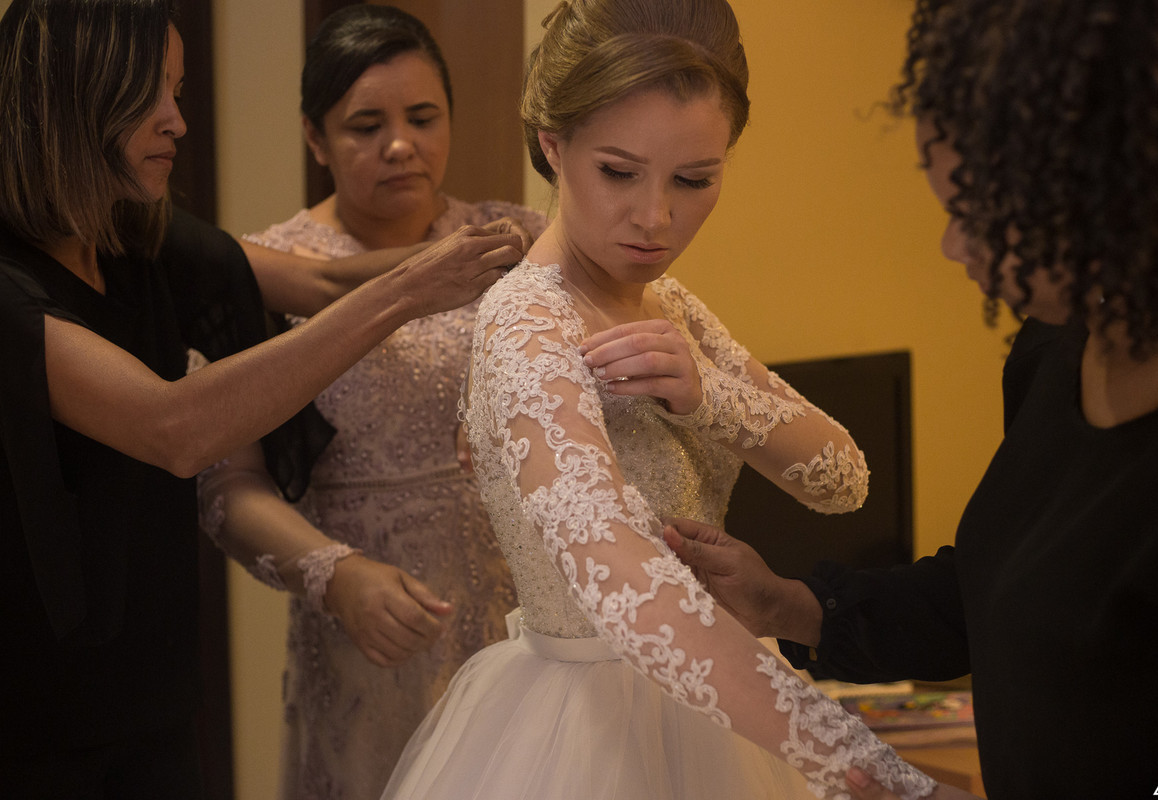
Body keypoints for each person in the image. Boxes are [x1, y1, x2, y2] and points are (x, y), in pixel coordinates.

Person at [379, 1, 977, 798]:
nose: (655, 217)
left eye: (695, 179)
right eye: (619, 172)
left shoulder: (675, 309)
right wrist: (862, 764)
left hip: (722, 703)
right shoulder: (527, 321)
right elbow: (621, 585)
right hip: (580, 736)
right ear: (553, 146)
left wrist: (708, 399)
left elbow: (841, 478)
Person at [665, 0, 1158, 798]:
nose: (954, 245)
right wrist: (791, 605)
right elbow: (994, 587)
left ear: (1111, 185)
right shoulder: (1052, 356)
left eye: (982, 213)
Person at [0, 1, 524, 797]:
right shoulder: (10, 287)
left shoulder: (135, 230)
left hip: (153, 675)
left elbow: (314, 280)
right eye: (154, 94)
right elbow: (174, 427)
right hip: (36, 697)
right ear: (76, 95)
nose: (179, 122)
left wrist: (505, 249)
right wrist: (411, 292)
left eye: (179, 92)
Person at [195, 6, 547, 799]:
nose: (401, 145)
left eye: (424, 117)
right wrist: (336, 573)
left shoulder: (514, 244)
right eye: (365, 125)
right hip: (370, 637)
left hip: (521, 624)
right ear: (316, 140)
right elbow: (225, 486)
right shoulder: (265, 276)